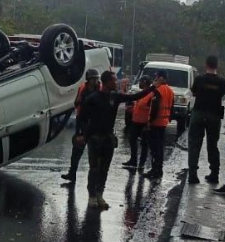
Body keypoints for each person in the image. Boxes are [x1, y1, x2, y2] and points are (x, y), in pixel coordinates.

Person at [76, 71, 155, 209]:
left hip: (108, 138)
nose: (116, 83)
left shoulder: (115, 97)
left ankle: (100, 194)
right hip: (94, 138)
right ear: (106, 82)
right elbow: (81, 117)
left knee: (104, 169)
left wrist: (153, 87)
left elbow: (136, 96)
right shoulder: (93, 98)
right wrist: (82, 135)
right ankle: (92, 196)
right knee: (94, 168)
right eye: (113, 80)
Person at [188, 56, 225, 184]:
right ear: (217, 66)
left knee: (194, 144)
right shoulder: (224, 82)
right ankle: (214, 174)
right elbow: (222, 94)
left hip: (199, 113)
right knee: (212, 145)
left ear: (205, 65)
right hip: (214, 115)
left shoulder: (199, 79)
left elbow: (193, 92)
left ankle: (193, 174)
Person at [61, 69, 101, 183]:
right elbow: (76, 103)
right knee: (77, 150)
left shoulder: (100, 90)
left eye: (96, 79)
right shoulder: (83, 88)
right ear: (88, 79)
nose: (95, 81)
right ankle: (72, 174)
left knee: (94, 152)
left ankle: (95, 177)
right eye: (93, 79)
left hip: (94, 124)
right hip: (82, 122)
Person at [143, 70, 175, 180]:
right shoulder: (170, 91)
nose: (155, 79)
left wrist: (149, 121)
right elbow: (172, 107)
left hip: (156, 123)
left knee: (154, 148)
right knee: (160, 147)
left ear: (161, 78)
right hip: (164, 123)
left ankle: (155, 170)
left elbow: (154, 108)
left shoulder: (158, 90)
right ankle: (159, 169)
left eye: (156, 77)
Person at [122, 75, 153, 169]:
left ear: (144, 82)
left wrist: (148, 123)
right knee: (132, 140)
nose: (139, 83)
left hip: (144, 123)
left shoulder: (150, 95)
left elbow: (151, 109)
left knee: (144, 143)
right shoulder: (142, 93)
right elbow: (139, 106)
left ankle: (141, 163)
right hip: (136, 121)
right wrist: (131, 110)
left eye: (140, 82)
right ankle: (133, 160)